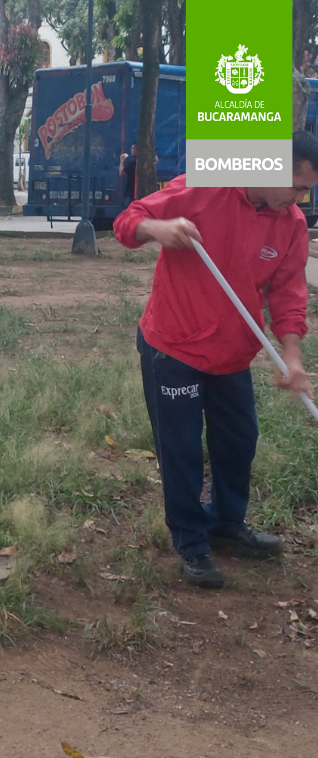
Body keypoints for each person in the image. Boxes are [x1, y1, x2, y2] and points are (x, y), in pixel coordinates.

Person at [113, 130, 318, 589]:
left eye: (306, 191)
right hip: (174, 344)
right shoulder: (206, 186)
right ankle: (191, 542)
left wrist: (291, 355)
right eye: (297, 187)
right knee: (182, 448)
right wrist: (159, 229)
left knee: (239, 441)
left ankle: (227, 523)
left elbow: (288, 293)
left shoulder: (290, 223)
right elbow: (129, 220)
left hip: (232, 351)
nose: (299, 199)